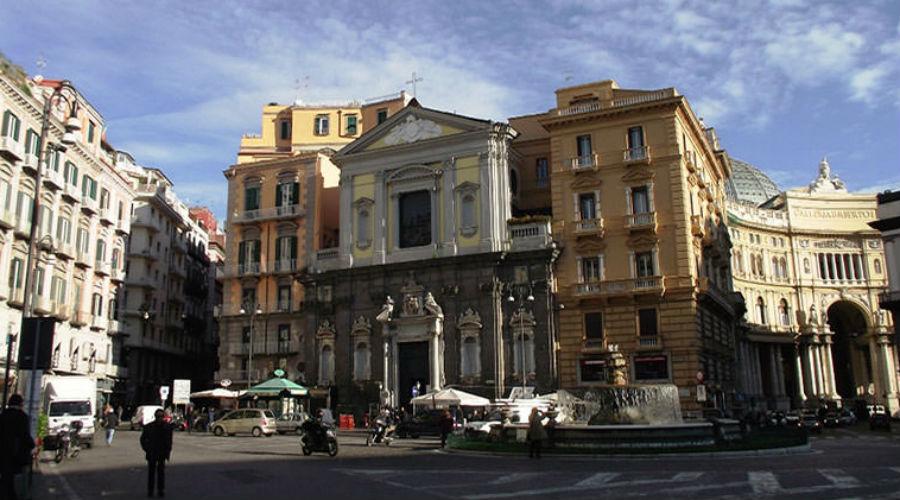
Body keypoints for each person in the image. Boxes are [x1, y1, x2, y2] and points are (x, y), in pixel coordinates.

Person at [0, 394, 34, 500]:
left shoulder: (2, 415)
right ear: (20, 404)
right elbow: (24, 435)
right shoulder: (22, 416)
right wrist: (32, 444)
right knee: (19, 479)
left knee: (6, 478)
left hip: (2, 452)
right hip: (17, 454)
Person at [140, 409, 173, 498]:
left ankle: (160, 490)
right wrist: (146, 449)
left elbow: (169, 441)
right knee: (152, 473)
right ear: (155, 417)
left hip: (161, 453)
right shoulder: (149, 426)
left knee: (161, 473)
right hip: (152, 452)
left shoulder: (167, 427)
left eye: (161, 417)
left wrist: (168, 451)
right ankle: (151, 490)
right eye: (158, 416)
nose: (159, 418)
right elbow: (142, 439)